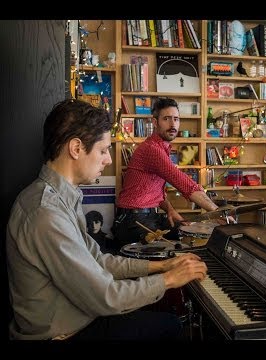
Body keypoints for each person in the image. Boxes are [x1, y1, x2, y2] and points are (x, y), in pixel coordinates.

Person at [5, 99, 207, 340]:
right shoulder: (46, 213)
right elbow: (106, 297)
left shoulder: (61, 198)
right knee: (171, 325)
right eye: (103, 150)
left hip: (78, 319)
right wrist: (169, 279)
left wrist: (161, 266)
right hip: (63, 334)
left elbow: (98, 260)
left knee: (159, 315)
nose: (109, 159)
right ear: (76, 148)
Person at [113, 97, 220, 251]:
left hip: (146, 216)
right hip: (133, 221)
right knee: (183, 248)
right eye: (166, 119)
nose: (172, 124)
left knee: (187, 234)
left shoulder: (161, 147)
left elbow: (153, 190)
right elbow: (184, 183)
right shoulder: (152, 150)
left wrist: (170, 209)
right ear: (155, 122)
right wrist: (217, 212)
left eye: (176, 119)